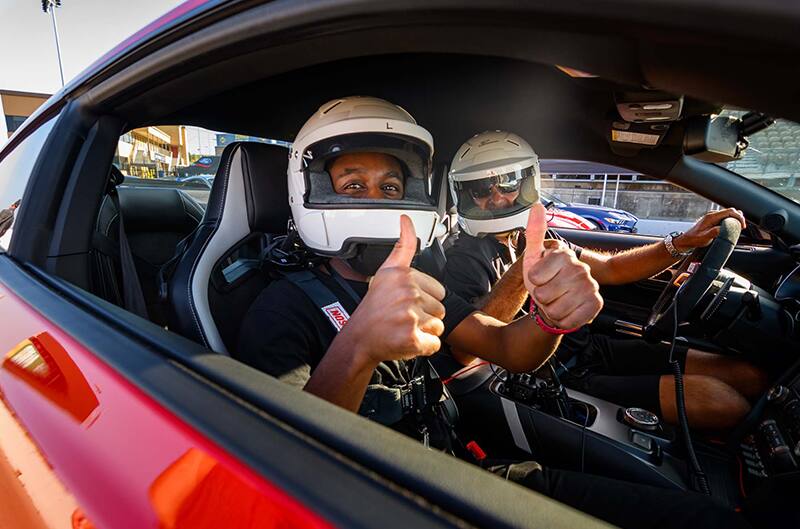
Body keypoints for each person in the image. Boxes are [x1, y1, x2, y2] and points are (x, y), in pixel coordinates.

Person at [237, 97, 748, 528]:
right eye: (353, 184)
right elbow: (284, 472)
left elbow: (506, 348)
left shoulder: (421, 282)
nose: (377, 198)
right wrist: (358, 345)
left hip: (460, 467)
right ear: (313, 191)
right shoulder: (281, 308)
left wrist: (550, 317)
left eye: (391, 186)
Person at [444, 130, 767, 430]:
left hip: (589, 347)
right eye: (482, 189)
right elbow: (470, 347)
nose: (497, 198)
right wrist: (519, 276)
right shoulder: (466, 256)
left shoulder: (533, 235)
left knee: (748, 376)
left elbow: (612, 268)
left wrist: (682, 243)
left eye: (508, 184)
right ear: (467, 196)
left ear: (528, 183)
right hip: (552, 373)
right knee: (722, 401)